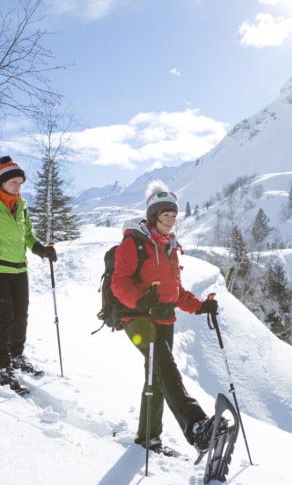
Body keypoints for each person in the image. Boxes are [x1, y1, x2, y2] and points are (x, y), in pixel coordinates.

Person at [111, 181, 222, 457]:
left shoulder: (170, 247)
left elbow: (176, 291)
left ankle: (148, 438)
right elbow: (119, 283)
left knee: (157, 377)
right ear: (153, 217)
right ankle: (196, 427)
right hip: (137, 318)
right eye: (165, 216)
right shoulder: (133, 243)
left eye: (173, 216)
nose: (171, 221)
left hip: (163, 319)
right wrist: (139, 300)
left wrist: (200, 307)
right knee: (166, 369)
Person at [0, 156, 58, 391]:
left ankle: (17, 355)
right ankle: (1, 364)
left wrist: (41, 250)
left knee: (21, 314)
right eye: (14, 182)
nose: (18, 186)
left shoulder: (22, 206)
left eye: (20, 182)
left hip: (19, 268)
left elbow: (27, 236)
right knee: (4, 316)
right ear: (2, 182)